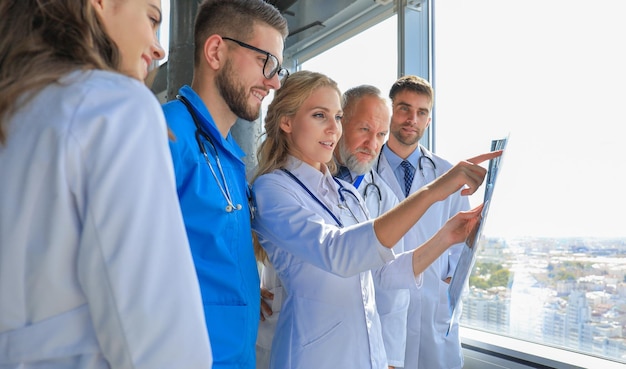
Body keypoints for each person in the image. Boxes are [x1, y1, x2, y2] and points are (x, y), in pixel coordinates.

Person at [0, 0, 212, 368]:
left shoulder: (15, 116)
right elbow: (163, 344)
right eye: (151, 18)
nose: (159, 47)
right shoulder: (114, 106)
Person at [251, 70, 500, 369]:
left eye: (338, 117)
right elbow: (339, 253)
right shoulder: (273, 189)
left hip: (367, 356)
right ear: (287, 121)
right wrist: (433, 191)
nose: (333, 129)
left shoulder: (345, 192)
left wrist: (447, 236)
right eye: (320, 116)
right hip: (314, 357)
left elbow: (382, 274)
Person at [162, 0, 288, 367]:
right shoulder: (166, 136)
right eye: (266, 62)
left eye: (278, 68)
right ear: (216, 51)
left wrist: (243, 290)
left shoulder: (231, 159)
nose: (275, 81)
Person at [375, 74, 468, 369]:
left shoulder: (447, 173)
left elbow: (463, 245)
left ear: (428, 120)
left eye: (422, 112)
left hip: (432, 307)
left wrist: (448, 286)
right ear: (390, 112)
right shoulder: (364, 171)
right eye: (403, 108)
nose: (411, 118)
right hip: (382, 305)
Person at [333, 85, 411, 368]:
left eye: (380, 135)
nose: (372, 144)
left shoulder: (384, 197)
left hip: (361, 342)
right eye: (364, 130)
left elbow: (393, 284)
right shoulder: (303, 176)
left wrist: (390, 358)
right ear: (340, 122)